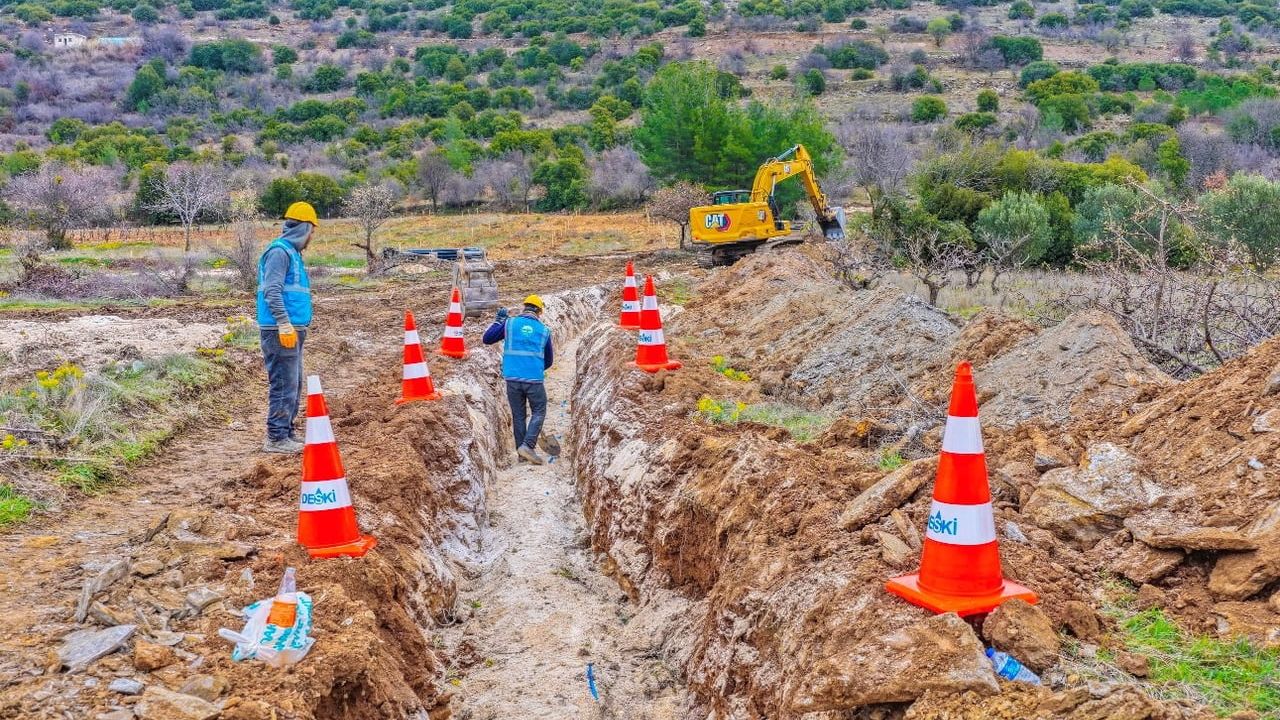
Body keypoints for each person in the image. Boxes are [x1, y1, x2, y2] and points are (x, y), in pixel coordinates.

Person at [256, 201, 318, 454]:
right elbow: (272, 291)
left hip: (291, 329)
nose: (312, 237)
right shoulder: (279, 253)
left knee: (293, 383)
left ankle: (286, 432)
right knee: (284, 383)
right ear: (304, 229)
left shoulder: (292, 253)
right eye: (312, 231)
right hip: (279, 330)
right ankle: (276, 437)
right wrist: (283, 323)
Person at [483, 295, 554, 465]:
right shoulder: (544, 331)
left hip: (512, 378)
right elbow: (549, 360)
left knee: (519, 415)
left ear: (525, 307)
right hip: (534, 380)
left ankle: (522, 455)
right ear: (539, 311)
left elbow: (487, 339)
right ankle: (528, 446)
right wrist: (535, 368)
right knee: (539, 411)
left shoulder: (510, 324)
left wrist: (498, 321)